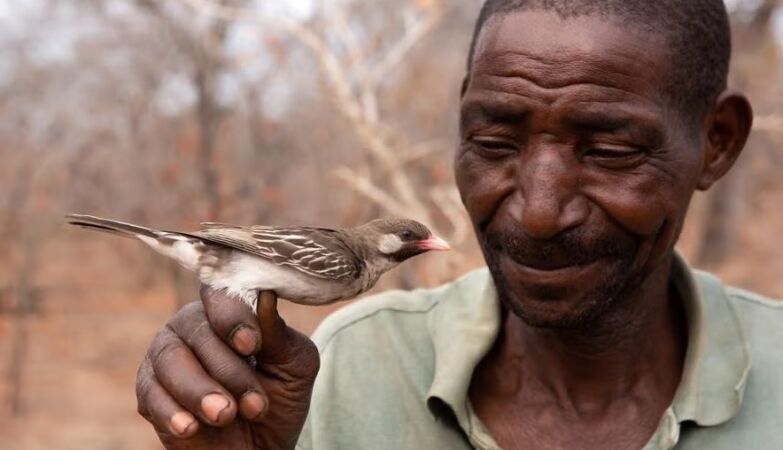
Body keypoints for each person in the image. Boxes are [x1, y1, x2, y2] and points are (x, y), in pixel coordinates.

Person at [134, 1, 783, 449]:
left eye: (609, 150)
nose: (537, 211)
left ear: (716, 142)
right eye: (495, 141)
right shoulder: (343, 371)